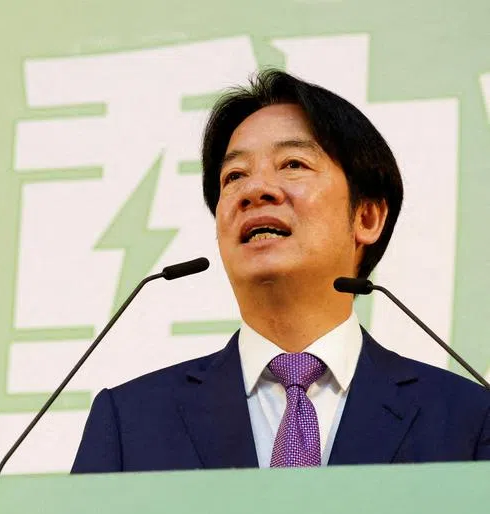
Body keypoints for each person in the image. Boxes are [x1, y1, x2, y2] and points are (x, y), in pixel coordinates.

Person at [72, 69, 490, 472]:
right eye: (234, 175)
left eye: (292, 164)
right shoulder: (130, 423)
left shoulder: (465, 419)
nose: (255, 190)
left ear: (366, 217)